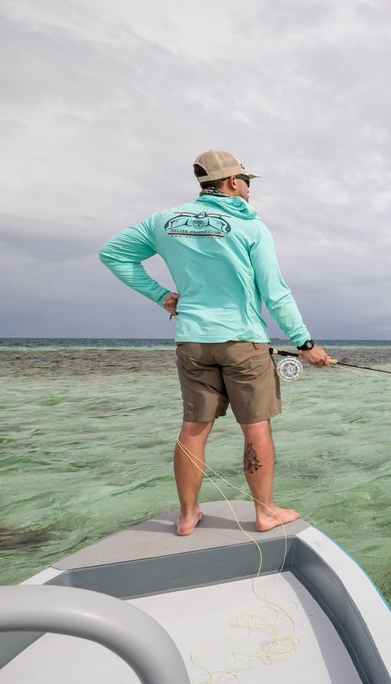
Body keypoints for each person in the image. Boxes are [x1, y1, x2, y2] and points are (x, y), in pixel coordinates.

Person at [100, 149, 332, 536]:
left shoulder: (163, 221)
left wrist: (160, 296)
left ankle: (188, 516)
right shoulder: (252, 227)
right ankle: (265, 513)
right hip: (244, 342)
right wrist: (306, 344)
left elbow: (114, 254)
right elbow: (275, 293)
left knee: (194, 428)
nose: (248, 187)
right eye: (246, 180)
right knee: (256, 428)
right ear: (230, 182)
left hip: (192, 341)